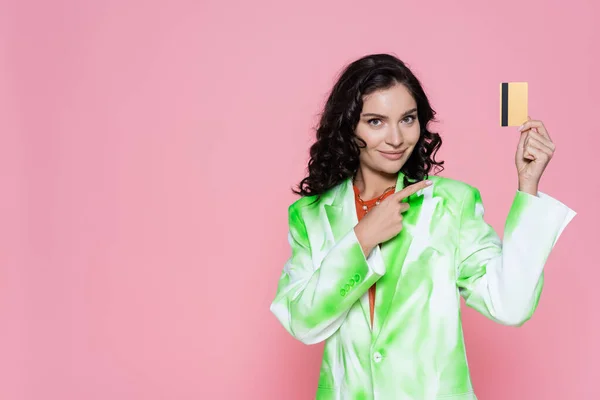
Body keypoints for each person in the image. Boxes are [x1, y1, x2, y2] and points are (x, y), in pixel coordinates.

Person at [269, 53, 576, 400]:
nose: (396, 138)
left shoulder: (450, 204)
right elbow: (303, 323)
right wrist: (362, 238)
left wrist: (528, 187)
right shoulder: (311, 215)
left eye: (407, 119)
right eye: (375, 122)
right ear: (348, 126)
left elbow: (510, 305)